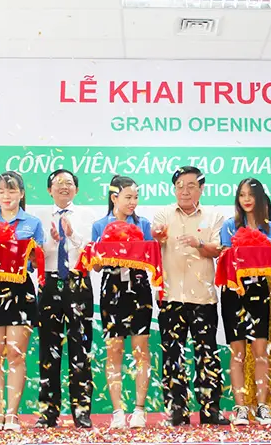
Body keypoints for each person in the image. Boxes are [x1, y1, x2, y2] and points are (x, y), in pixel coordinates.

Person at [152, 167, 229, 426]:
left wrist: (199, 244)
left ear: (201, 188)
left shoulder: (214, 215)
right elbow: (154, 242)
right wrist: (157, 236)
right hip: (170, 296)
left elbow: (218, 250)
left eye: (191, 186)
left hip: (203, 298)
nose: (185, 191)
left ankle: (210, 409)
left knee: (207, 354)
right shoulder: (163, 214)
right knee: (172, 355)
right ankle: (177, 409)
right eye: (180, 186)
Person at [0, 171, 44, 431]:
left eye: (12, 190)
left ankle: (12, 414)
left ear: (21, 194)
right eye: (1, 191)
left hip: (21, 289)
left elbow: (37, 262)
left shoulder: (32, 223)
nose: (6, 196)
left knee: (15, 354)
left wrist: (35, 255)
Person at [91, 175, 154, 429]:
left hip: (139, 287)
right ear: (114, 197)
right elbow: (95, 266)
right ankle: (118, 411)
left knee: (141, 349)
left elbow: (151, 258)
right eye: (128, 197)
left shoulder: (144, 224)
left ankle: (139, 409)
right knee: (114, 349)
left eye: (136, 197)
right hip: (111, 288)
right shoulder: (99, 225)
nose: (133, 202)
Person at [36, 169, 96, 429]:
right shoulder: (39, 217)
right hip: (49, 283)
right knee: (48, 349)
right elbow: (36, 256)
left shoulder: (88, 216)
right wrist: (53, 241)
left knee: (80, 349)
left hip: (78, 282)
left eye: (69, 183)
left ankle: (81, 412)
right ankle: (48, 412)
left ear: (76, 189)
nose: (64, 187)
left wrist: (71, 234)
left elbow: (92, 253)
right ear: (49, 190)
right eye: (58, 183)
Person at [219, 178, 271, 426]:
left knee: (260, 350)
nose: (246, 199)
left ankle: (262, 406)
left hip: (259, 290)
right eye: (242, 195)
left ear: (259, 197)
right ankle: (241, 407)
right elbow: (224, 259)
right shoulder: (229, 226)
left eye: (251, 194)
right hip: (233, 290)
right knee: (238, 353)